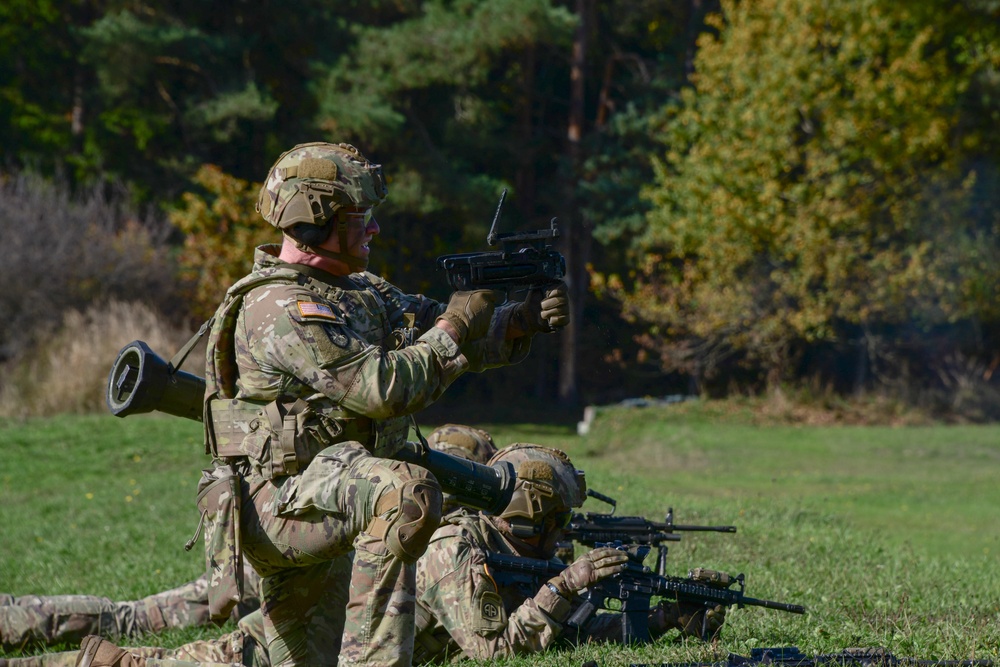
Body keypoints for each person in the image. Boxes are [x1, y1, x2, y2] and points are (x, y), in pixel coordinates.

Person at [71, 141, 570, 667]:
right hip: (279, 501)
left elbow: (437, 329)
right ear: (317, 221)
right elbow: (384, 388)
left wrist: (519, 319)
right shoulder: (283, 306)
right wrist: (455, 326)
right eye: (361, 218)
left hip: (330, 492)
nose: (374, 229)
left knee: (295, 657)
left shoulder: (357, 291)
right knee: (408, 492)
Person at [411, 443, 727, 662]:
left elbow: (576, 631)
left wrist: (665, 617)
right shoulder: (455, 549)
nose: (567, 528)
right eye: (561, 518)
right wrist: (559, 587)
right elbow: (493, 651)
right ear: (530, 517)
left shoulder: (531, 556)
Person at [0, 573, 261, 655]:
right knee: (133, 619)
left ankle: (9, 611)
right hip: (252, 581)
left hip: (254, 580)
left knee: (131, 617)